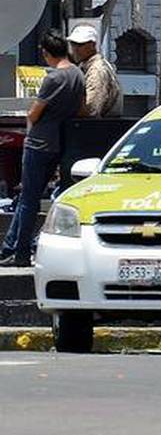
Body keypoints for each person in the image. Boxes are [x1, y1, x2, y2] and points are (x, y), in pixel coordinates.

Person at [0, 32, 85, 266]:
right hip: (60, 143)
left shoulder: (53, 78)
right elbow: (82, 110)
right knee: (29, 197)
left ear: (46, 53)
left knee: (28, 199)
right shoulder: (78, 75)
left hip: (39, 143)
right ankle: (10, 246)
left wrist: (31, 123)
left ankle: (20, 252)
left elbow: (34, 113)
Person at [67, 24, 122, 118]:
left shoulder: (97, 70)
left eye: (80, 45)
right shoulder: (86, 66)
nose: (75, 49)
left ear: (92, 45)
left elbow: (90, 109)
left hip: (99, 124)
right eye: (73, 44)